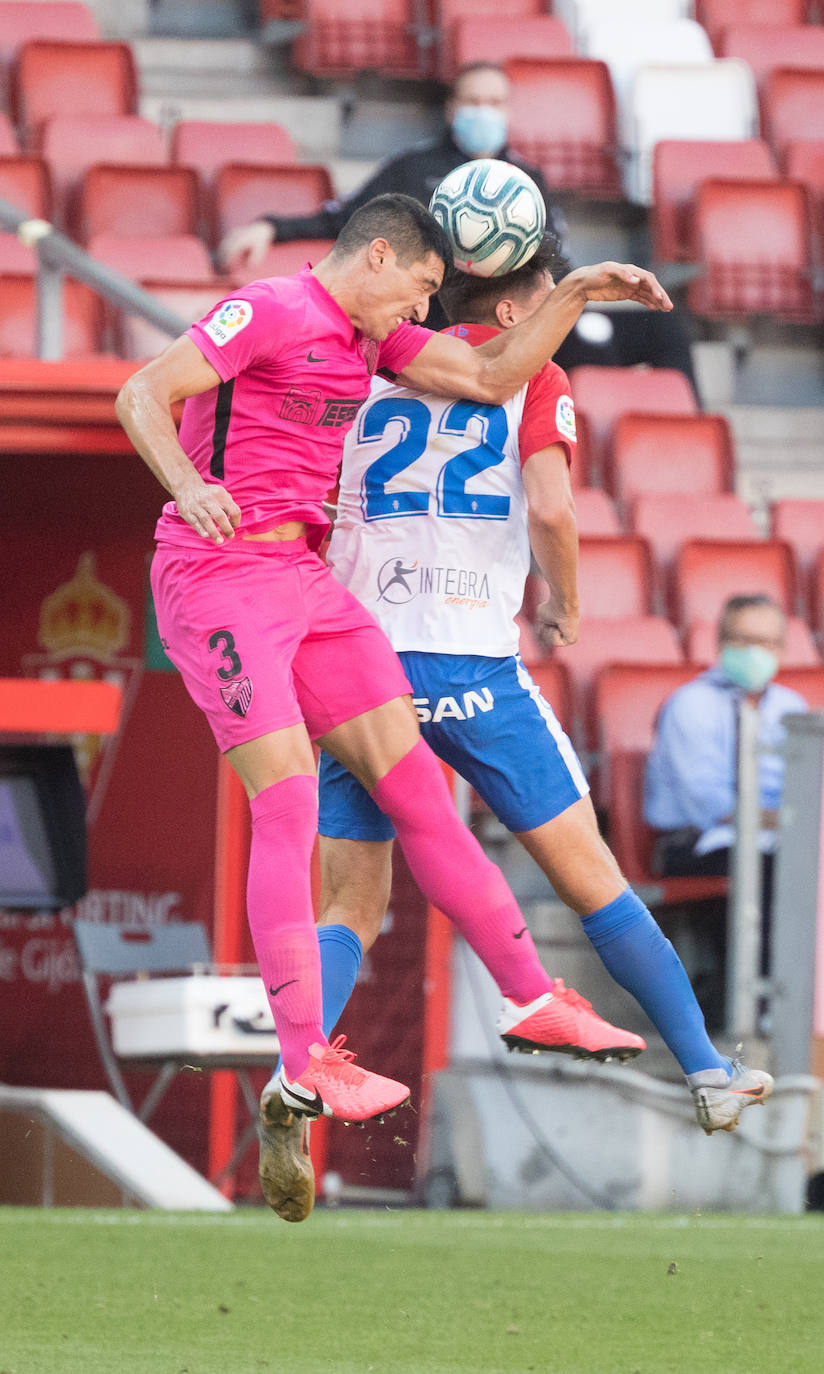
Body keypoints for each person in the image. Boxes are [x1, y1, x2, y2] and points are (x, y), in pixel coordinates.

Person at [115, 194, 671, 1136]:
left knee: (414, 783)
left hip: (301, 574)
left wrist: (573, 291)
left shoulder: (372, 343)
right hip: (216, 576)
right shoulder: (271, 307)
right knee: (287, 803)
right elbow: (142, 394)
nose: (422, 310)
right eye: (418, 288)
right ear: (378, 258)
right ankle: (302, 1068)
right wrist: (190, 484)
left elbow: (496, 375)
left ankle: (529, 996)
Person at [254, 238, 771, 1221]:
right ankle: (706, 1070)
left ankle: (299, 1068)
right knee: (590, 882)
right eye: (547, 301)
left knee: (352, 908)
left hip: (354, 663)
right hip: (471, 666)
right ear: (510, 313)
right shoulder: (528, 375)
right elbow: (550, 507)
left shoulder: (376, 358)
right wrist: (563, 604)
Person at [217, 61, 699, 395]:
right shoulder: (412, 169)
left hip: (523, 315)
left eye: (493, 102)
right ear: (452, 108)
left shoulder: (527, 181)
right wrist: (272, 227)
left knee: (662, 329)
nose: (482, 111)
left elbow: (557, 256)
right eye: (473, 101)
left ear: (508, 111)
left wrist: (577, 297)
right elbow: (351, 219)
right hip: (442, 314)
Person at [644, 594, 809, 1009]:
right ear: (721, 643)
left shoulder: (793, 708)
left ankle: (810, 1006)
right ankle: (761, 1006)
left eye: (768, 642)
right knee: (769, 866)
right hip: (696, 842)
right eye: (744, 639)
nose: (756, 652)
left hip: (774, 836)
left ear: (782, 650)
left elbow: (808, 787)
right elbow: (709, 804)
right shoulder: (690, 704)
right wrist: (789, 820)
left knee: (812, 863)